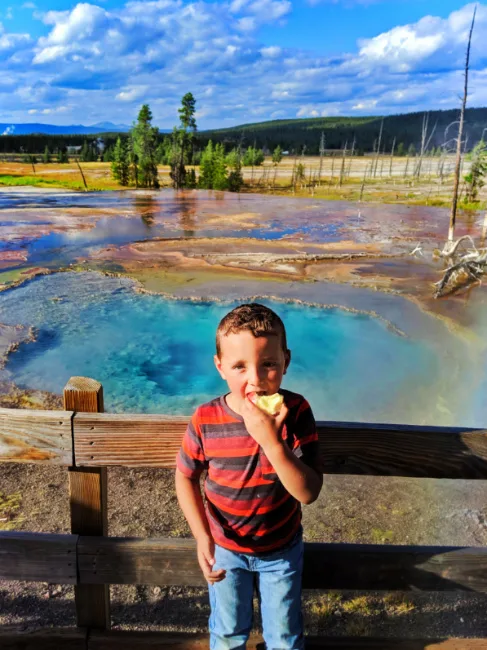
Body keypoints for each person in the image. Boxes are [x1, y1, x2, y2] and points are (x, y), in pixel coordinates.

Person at [175, 303, 323, 650]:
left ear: (285, 361)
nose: (255, 379)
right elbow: (185, 477)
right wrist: (201, 536)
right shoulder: (206, 418)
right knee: (227, 634)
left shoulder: (296, 412)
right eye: (240, 366)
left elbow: (309, 492)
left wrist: (270, 440)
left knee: (284, 639)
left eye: (268, 364)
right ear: (220, 366)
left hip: (282, 550)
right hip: (225, 549)